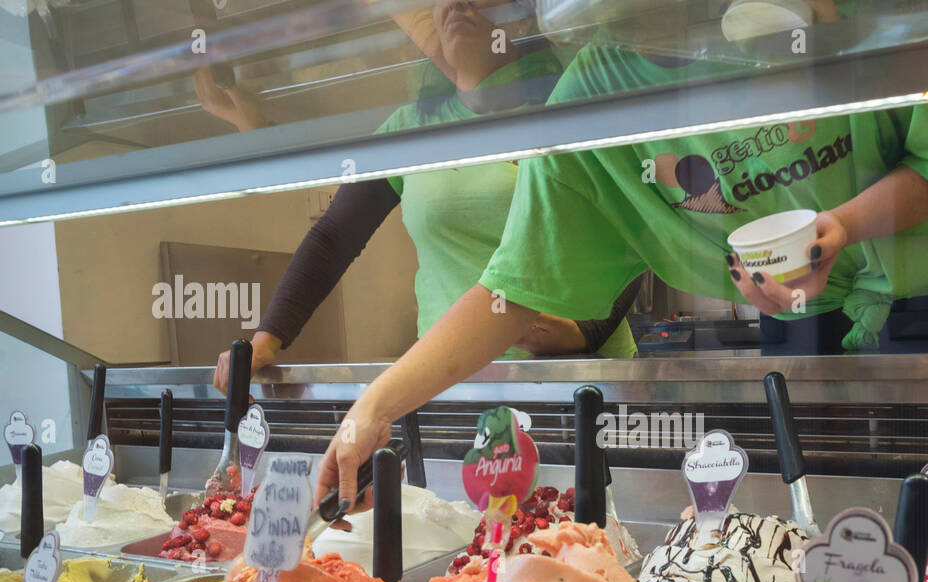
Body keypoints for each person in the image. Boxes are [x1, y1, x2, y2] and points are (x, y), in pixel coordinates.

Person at [314, 4, 928, 507]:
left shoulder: (819, 14)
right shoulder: (596, 97)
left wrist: (841, 227)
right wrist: (376, 403)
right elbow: (513, 289)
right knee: (835, 548)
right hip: (801, 327)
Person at [206, 0, 637, 394]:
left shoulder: (567, 108)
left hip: (575, 377)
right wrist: (266, 339)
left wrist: (584, 331)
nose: (457, 3)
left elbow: (635, 229)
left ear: (523, 16)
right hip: (453, 378)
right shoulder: (412, 130)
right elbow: (334, 236)